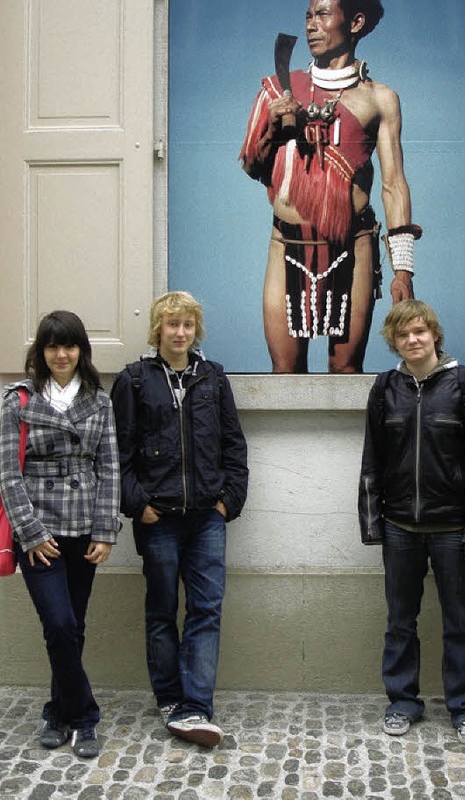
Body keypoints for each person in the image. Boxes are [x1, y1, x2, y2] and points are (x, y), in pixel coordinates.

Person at [240, 0, 422, 374]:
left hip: (353, 247)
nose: (310, 24)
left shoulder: (380, 99)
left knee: (346, 373)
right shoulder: (278, 91)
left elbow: (393, 184)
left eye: (323, 14)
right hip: (284, 245)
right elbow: (254, 167)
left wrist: (402, 271)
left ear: (354, 23)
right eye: (308, 15)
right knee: (284, 375)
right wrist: (273, 128)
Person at [110, 291, 248, 749]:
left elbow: (234, 446)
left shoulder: (213, 378)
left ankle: (197, 705)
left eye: (187, 325)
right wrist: (136, 502)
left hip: (208, 516)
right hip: (159, 518)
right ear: (158, 330)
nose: (180, 332)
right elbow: (118, 454)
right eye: (172, 325)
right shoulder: (133, 381)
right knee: (161, 609)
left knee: (206, 610)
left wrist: (230, 499)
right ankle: (169, 698)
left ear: (196, 330)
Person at [358, 299, 465, 744]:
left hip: (453, 529)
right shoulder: (385, 389)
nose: (413, 340)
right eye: (403, 335)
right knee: (401, 619)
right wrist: (371, 521)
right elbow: (372, 460)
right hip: (400, 527)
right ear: (394, 342)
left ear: (434, 335)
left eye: (419, 332)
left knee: (462, 621)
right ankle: (402, 700)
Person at [0, 311, 121, 759]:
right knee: (59, 622)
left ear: (81, 350)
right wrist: (30, 532)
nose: (61, 354)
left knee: (73, 627)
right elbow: (8, 475)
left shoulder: (99, 401)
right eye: (52, 346)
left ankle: (57, 712)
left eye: (69, 346)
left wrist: (106, 530)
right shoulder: (19, 401)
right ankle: (86, 717)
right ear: (41, 352)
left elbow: (109, 468)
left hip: (84, 528)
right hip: (41, 530)